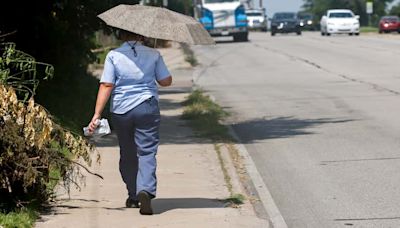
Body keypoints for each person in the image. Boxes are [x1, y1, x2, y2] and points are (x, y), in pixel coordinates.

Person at [88, 29, 172, 215]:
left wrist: (97, 113)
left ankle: (133, 195)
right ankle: (146, 190)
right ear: (142, 35)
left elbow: (107, 84)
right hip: (147, 107)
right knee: (147, 151)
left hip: (121, 110)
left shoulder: (114, 55)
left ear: (122, 35)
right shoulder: (154, 54)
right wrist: (154, 61)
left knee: (127, 152)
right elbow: (166, 81)